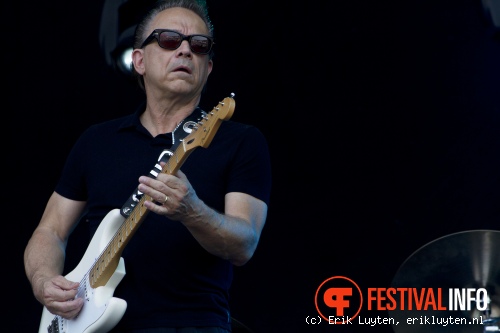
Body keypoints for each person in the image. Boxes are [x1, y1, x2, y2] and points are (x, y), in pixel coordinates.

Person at [23, 0, 272, 332]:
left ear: (208, 68)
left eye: (199, 46)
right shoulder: (97, 141)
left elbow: (245, 243)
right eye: (169, 40)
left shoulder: (239, 141)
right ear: (139, 60)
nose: (185, 51)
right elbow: (50, 230)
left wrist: (192, 211)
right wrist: (43, 280)